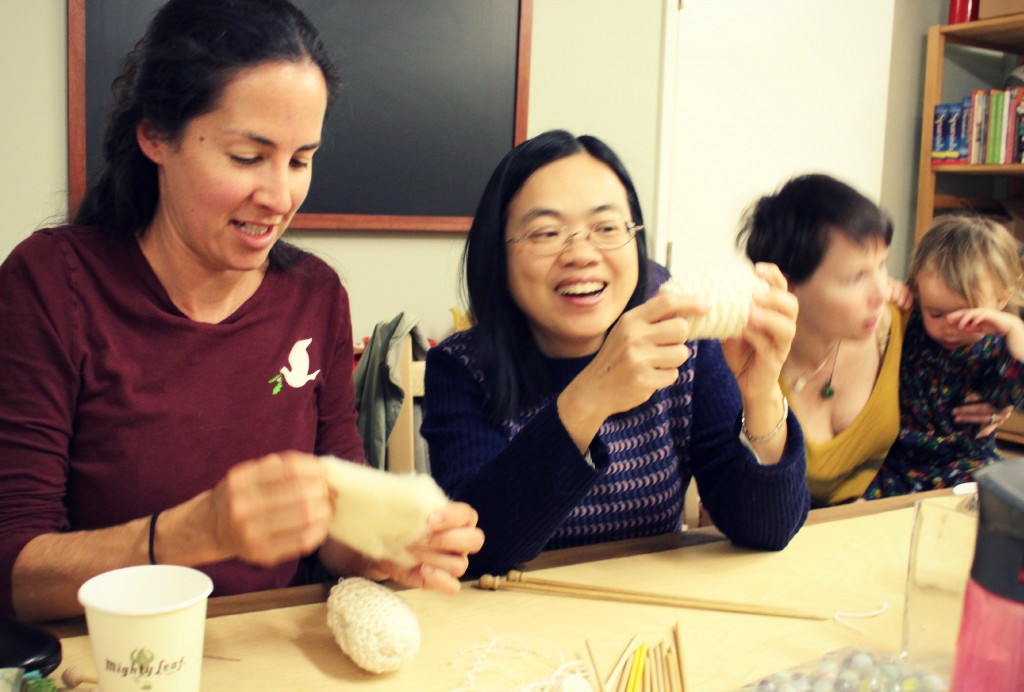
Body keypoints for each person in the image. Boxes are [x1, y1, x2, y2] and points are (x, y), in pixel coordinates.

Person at [0, 0, 482, 622]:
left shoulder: (315, 296)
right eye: (247, 157)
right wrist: (187, 535)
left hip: (265, 648)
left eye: (301, 159)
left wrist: (382, 546)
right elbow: (14, 571)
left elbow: (333, 520)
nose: (279, 196)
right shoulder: (52, 284)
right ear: (155, 135)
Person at [420, 129, 809, 577]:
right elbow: (477, 551)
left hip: (655, 617)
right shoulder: (460, 369)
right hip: (512, 626)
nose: (582, 254)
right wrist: (592, 396)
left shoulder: (683, 344)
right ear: (499, 255)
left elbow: (768, 529)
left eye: (607, 228)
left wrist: (761, 394)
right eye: (546, 232)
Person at [737, 174, 1011, 507]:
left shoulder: (905, 325)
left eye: (881, 266)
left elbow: (986, 345)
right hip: (790, 537)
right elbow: (733, 500)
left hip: (889, 525)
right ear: (788, 282)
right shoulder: (743, 359)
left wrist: (1001, 398)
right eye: (856, 278)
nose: (882, 292)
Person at [865, 215, 1024, 497]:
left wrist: (1015, 331)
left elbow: (1014, 393)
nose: (950, 328)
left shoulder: (998, 346)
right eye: (936, 313)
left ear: (1000, 299)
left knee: (993, 498)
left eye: (966, 317)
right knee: (859, 503)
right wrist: (888, 289)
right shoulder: (911, 323)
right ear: (919, 294)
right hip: (898, 458)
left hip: (964, 460)